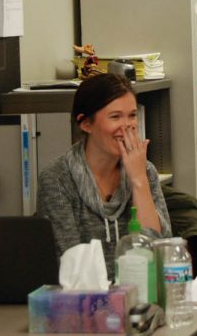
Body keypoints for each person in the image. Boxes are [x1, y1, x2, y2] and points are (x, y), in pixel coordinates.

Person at [37, 73, 172, 279]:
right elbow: (68, 265)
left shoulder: (145, 171)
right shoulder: (57, 179)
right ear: (85, 124)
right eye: (115, 117)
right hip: (86, 301)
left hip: (142, 295)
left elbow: (160, 253)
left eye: (132, 115)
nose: (127, 126)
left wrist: (139, 181)